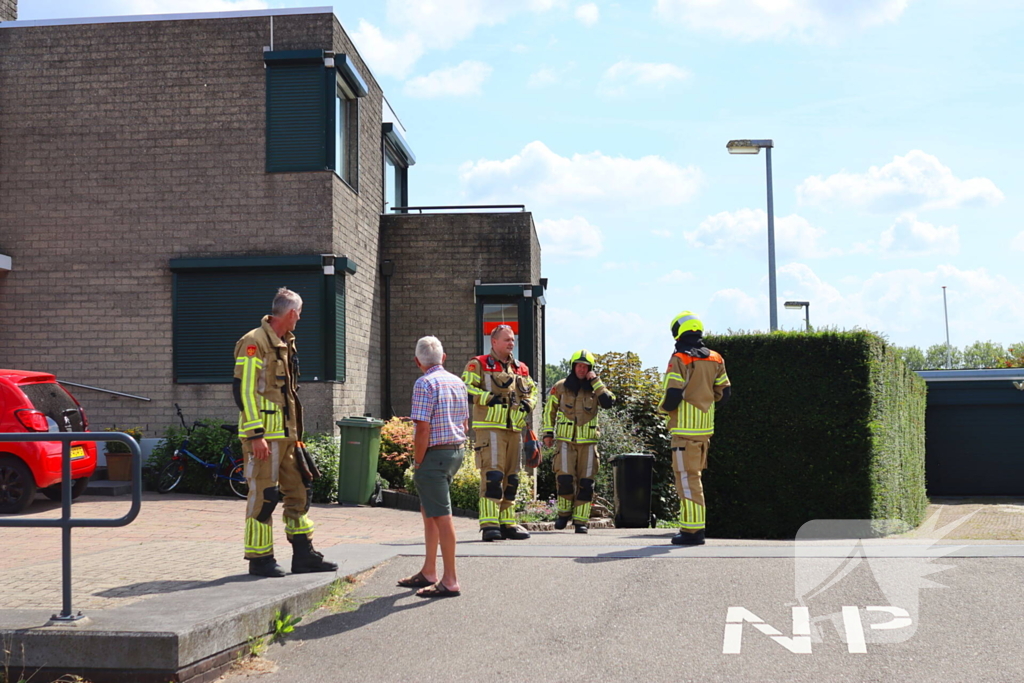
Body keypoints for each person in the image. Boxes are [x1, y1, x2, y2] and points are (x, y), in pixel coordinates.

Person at [233, 287, 337, 577]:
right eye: (299, 314)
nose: (300, 319)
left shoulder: (285, 342)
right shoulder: (254, 342)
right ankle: (260, 559)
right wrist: (256, 435)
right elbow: (244, 390)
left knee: (299, 492)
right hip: (264, 438)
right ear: (291, 313)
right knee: (264, 495)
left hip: (288, 437)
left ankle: (304, 555)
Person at [396, 336, 469, 598]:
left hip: (434, 456)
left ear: (417, 362)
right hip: (455, 453)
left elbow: (422, 429)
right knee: (429, 510)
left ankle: (450, 580)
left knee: (441, 515)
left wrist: (417, 462)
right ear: (444, 357)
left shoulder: (424, 383)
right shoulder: (458, 382)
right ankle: (429, 571)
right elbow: (464, 425)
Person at [658, 311, 731, 546]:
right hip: (704, 430)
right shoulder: (716, 358)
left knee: (687, 481)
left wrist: (664, 410)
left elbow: (672, 394)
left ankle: (692, 532)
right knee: (694, 477)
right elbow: (725, 393)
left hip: (683, 432)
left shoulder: (680, 358)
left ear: (678, 333)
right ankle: (692, 528)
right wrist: (704, 406)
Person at [462, 324, 536, 541]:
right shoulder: (479, 364)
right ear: (493, 342)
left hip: (514, 429)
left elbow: (532, 390)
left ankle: (507, 523)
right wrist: (486, 398)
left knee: (512, 478)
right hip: (490, 429)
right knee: (493, 477)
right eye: (506, 339)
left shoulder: (521, 368)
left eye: (512, 339)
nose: (511, 343)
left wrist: (528, 404)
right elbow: (464, 387)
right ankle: (489, 524)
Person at [542, 349, 615, 533]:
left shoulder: (596, 388)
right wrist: (548, 433)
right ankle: (563, 515)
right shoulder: (560, 386)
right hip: (565, 442)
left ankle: (581, 522)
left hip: (589, 444)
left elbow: (608, 402)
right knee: (564, 479)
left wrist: (596, 381)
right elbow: (549, 410)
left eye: (585, 366)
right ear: (573, 367)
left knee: (586, 483)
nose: (582, 369)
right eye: (579, 366)